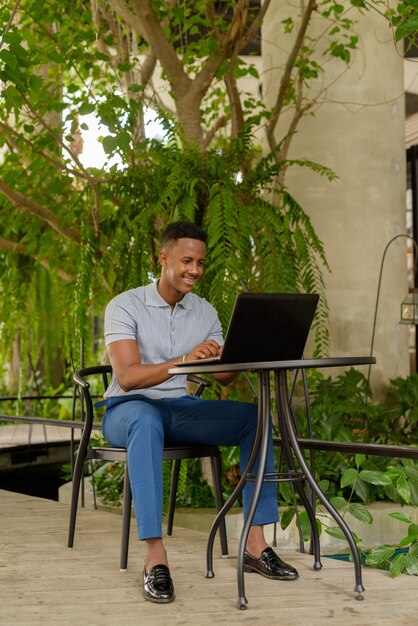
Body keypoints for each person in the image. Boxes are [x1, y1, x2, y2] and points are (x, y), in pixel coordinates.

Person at [101, 220, 298, 604]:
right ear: (163, 258)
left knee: (252, 419)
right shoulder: (125, 305)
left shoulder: (204, 311)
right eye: (187, 260)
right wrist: (186, 359)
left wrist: (247, 349)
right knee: (144, 418)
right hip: (127, 411)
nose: (195, 270)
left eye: (201, 263)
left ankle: (255, 545)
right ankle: (155, 557)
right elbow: (127, 377)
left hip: (180, 409)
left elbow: (223, 377)